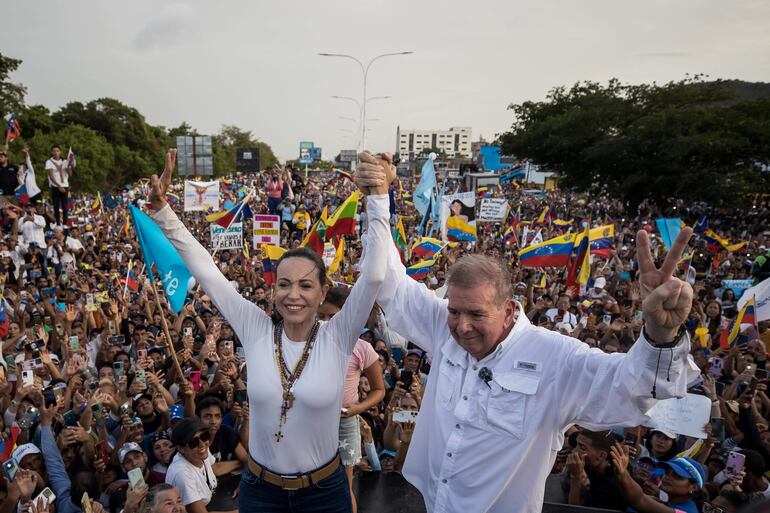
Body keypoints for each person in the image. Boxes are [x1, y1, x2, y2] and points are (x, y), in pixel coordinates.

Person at [373, 153, 698, 513]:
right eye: (454, 311)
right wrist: (377, 197)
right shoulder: (443, 328)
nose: (461, 326)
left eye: (477, 314)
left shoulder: (557, 358)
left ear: (510, 309)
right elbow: (389, 282)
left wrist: (659, 332)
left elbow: (632, 389)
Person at [149, 148, 393, 513]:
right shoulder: (255, 328)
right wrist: (162, 211)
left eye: (306, 286)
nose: (293, 295)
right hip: (261, 492)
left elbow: (374, 273)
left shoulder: (338, 336)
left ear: (323, 293)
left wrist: (378, 198)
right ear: (273, 289)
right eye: (284, 285)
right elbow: (207, 271)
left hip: (323, 492)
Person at [317, 287, 387, 513]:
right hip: (313, 423)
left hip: (345, 423)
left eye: (333, 316)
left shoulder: (362, 348)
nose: (326, 322)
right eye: (322, 316)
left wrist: (358, 408)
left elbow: (378, 390)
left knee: (344, 486)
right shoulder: (309, 344)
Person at [165, 419, 234, 513]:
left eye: (205, 436)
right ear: (181, 448)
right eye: (194, 442)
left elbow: (216, 469)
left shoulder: (200, 451)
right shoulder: (182, 474)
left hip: (212, 502)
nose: (202, 444)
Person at [45, 145, 70, 227]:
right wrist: (59, 186)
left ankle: (65, 223)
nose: (56, 153)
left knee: (65, 205)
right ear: (52, 152)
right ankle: (58, 223)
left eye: (57, 151)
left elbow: (70, 174)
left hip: (65, 184)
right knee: (56, 205)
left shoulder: (65, 161)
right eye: (54, 151)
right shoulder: (49, 162)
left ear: (60, 152)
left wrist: (69, 166)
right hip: (55, 186)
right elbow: (51, 176)